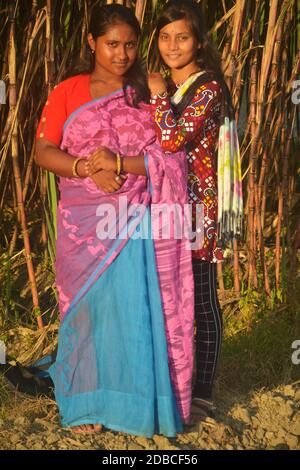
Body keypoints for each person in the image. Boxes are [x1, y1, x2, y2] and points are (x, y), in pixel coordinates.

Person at [35, 4, 194, 437]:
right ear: (92, 43)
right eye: (111, 45)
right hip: (82, 222)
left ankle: (135, 396)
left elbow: (171, 157)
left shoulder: (149, 91)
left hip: (136, 217)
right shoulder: (67, 91)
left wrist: (120, 161)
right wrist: (86, 168)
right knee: (87, 308)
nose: (122, 54)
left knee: (134, 308)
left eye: (129, 45)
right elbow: (43, 151)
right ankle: (87, 400)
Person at [148, 0, 243, 423]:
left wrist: (155, 96)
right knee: (170, 296)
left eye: (182, 36)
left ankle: (203, 390)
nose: (172, 45)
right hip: (166, 206)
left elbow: (173, 139)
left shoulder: (207, 88)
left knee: (202, 298)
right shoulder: (165, 87)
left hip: (198, 211)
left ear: (198, 41)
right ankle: (173, 381)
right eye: (165, 37)